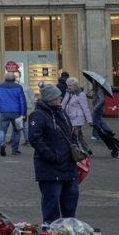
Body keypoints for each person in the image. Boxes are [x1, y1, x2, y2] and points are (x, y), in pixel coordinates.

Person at [28, 84, 79, 224]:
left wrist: (75, 148)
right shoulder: (38, 115)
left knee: (70, 203)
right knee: (51, 205)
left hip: (68, 165)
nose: (61, 97)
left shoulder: (61, 112)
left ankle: (68, 233)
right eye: (58, 96)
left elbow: (71, 132)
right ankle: (50, 233)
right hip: (50, 168)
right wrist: (51, 155)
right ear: (50, 99)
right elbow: (34, 138)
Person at [0, 72, 27, 156]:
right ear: (14, 79)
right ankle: (14, 150)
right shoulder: (18, 87)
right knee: (16, 130)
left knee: (2, 130)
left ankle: (2, 144)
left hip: (4, 112)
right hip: (16, 112)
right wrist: (23, 114)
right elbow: (22, 102)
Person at [62, 77, 93, 155]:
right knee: (80, 136)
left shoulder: (81, 95)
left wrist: (89, 120)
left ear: (75, 86)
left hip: (77, 119)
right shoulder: (68, 93)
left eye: (70, 85)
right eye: (68, 85)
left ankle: (77, 152)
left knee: (73, 136)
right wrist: (67, 94)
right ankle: (87, 149)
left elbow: (85, 108)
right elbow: (63, 104)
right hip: (70, 118)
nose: (68, 87)